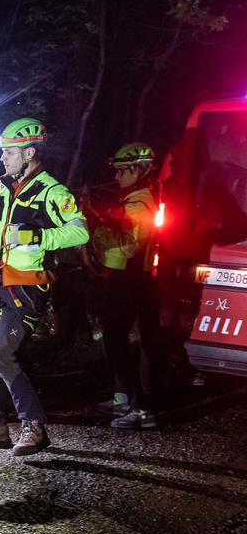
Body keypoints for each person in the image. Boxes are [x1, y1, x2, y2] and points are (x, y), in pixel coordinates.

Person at [0, 118, 89, 456]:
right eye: (2, 151)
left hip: (27, 288)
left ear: (29, 152)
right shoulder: (0, 186)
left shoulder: (52, 191)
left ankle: (34, 426)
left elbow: (80, 232)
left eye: (9, 152)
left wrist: (38, 236)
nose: (3, 158)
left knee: (3, 355)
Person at [90, 142, 164, 428]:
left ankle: (142, 409)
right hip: (122, 278)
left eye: (123, 171)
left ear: (140, 170)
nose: (117, 177)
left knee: (120, 342)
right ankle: (123, 398)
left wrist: (97, 223)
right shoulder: (134, 199)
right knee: (116, 340)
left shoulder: (140, 203)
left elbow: (129, 246)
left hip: (130, 280)